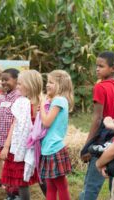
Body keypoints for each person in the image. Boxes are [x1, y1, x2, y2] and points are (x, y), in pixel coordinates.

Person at [79, 51, 114, 200]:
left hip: (102, 139)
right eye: (96, 66)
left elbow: (97, 118)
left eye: (101, 66)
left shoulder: (101, 87)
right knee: (113, 184)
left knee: (91, 185)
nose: (97, 69)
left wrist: (88, 144)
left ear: (113, 68)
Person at [0, 70, 42, 200]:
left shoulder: (42, 104)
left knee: (42, 179)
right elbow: (15, 124)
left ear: (29, 85)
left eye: (20, 84)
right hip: (21, 148)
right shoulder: (22, 103)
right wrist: (7, 146)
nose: (17, 87)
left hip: (36, 148)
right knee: (21, 181)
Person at [40, 70, 74, 200]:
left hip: (54, 147)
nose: (47, 85)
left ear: (60, 85)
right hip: (49, 147)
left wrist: (42, 104)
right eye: (47, 82)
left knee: (61, 185)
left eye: (51, 82)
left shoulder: (59, 100)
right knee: (51, 185)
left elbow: (46, 122)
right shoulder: (58, 100)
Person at [0, 68, 21, 199]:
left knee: (12, 168)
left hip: (12, 141)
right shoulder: (2, 97)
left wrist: (7, 144)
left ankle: (15, 194)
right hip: (2, 138)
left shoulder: (18, 97)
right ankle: (10, 193)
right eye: (2, 80)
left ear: (16, 80)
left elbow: (16, 123)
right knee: (5, 168)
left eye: (7, 80)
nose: (3, 82)